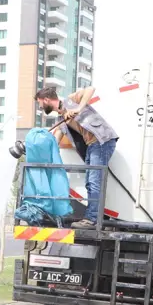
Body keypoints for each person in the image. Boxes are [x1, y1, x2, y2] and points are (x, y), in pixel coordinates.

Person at [35, 86, 118, 229]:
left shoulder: (71, 100)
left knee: (94, 181)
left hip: (102, 140)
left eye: (40, 103)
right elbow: (55, 141)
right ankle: (95, 216)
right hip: (92, 146)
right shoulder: (61, 119)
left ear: (47, 99)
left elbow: (91, 89)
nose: (40, 106)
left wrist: (78, 108)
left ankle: (92, 219)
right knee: (90, 183)